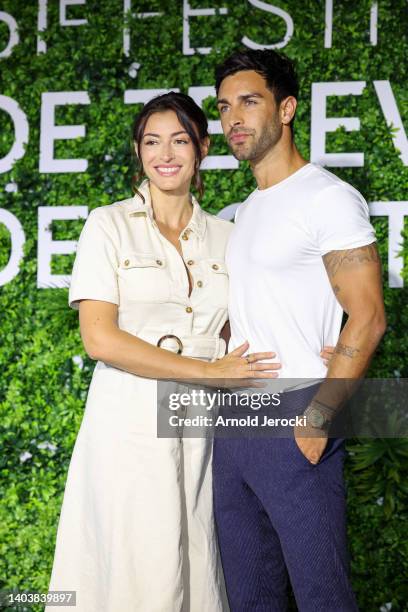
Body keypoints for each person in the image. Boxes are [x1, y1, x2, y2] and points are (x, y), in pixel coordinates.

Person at [45, 92, 282, 612]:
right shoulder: (107, 226)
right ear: (138, 150)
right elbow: (99, 339)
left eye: (179, 140)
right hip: (125, 416)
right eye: (152, 141)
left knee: (195, 561)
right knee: (134, 564)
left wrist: (325, 348)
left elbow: (257, 320)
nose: (165, 154)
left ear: (201, 148)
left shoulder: (229, 235)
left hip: (201, 423)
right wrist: (206, 369)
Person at [212, 49, 387, 611]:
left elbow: (368, 314)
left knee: (321, 596)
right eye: (223, 106)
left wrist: (320, 415)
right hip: (234, 422)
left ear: (286, 109)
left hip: (296, 413)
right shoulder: (242, 212)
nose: (233, 117)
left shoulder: (327, 198)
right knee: (251, 598)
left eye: (249, 101)